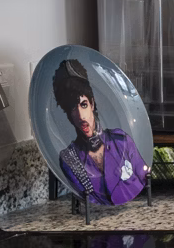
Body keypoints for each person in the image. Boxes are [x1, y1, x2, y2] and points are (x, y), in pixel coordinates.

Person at [51, 58, 148, 206]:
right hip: (98, 218)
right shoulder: (70, 159)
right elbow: (90, 200)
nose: (81, 116)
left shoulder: (121, 141)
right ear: (68, 115)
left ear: (92, 103)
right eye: (72, 108)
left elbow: (145, 178)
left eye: (83, 105)